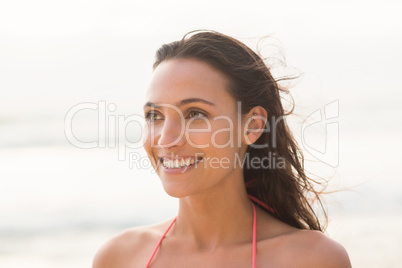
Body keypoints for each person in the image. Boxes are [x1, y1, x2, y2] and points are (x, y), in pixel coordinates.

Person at [93, 30, 351, 267]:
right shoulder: (119, 257)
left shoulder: (311, 259)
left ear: (252, 126)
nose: (165, 139)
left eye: (195, 113)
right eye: (154, 115)